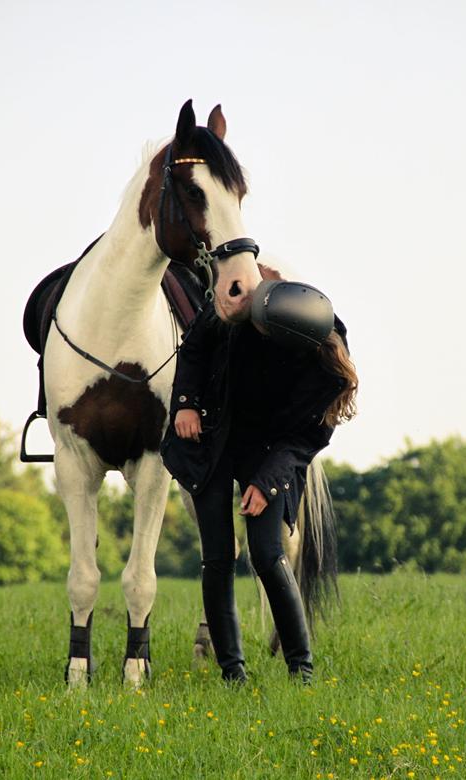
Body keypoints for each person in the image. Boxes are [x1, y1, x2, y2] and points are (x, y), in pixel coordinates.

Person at [161, 279, 358, 683]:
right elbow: (195, 345)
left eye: (264, 331)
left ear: (290, 342)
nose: (255, 329)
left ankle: (301, 671)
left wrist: (266, 484)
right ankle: (233, 673)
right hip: (212, 435)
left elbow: (305, 441)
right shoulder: (252, 309)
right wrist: (186, 404)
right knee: (216, 557)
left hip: (269, 452)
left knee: (269, 554)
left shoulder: (325, 374)